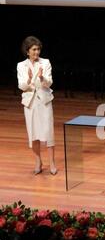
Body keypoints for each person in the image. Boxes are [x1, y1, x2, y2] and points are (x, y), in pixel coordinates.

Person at [17, 36, 57, 175]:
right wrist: (28, 79)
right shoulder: (21, 65)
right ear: (27, 51)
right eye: (34, 49)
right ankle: (38, 161)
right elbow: (22, 86)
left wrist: (41, 77)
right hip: (30, 102)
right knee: (33, 133)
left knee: (48, 132)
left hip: (44, 101)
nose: (37, 52)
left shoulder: (45, 63)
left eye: (38, 49)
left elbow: (49, 82)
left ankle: (52, 163)